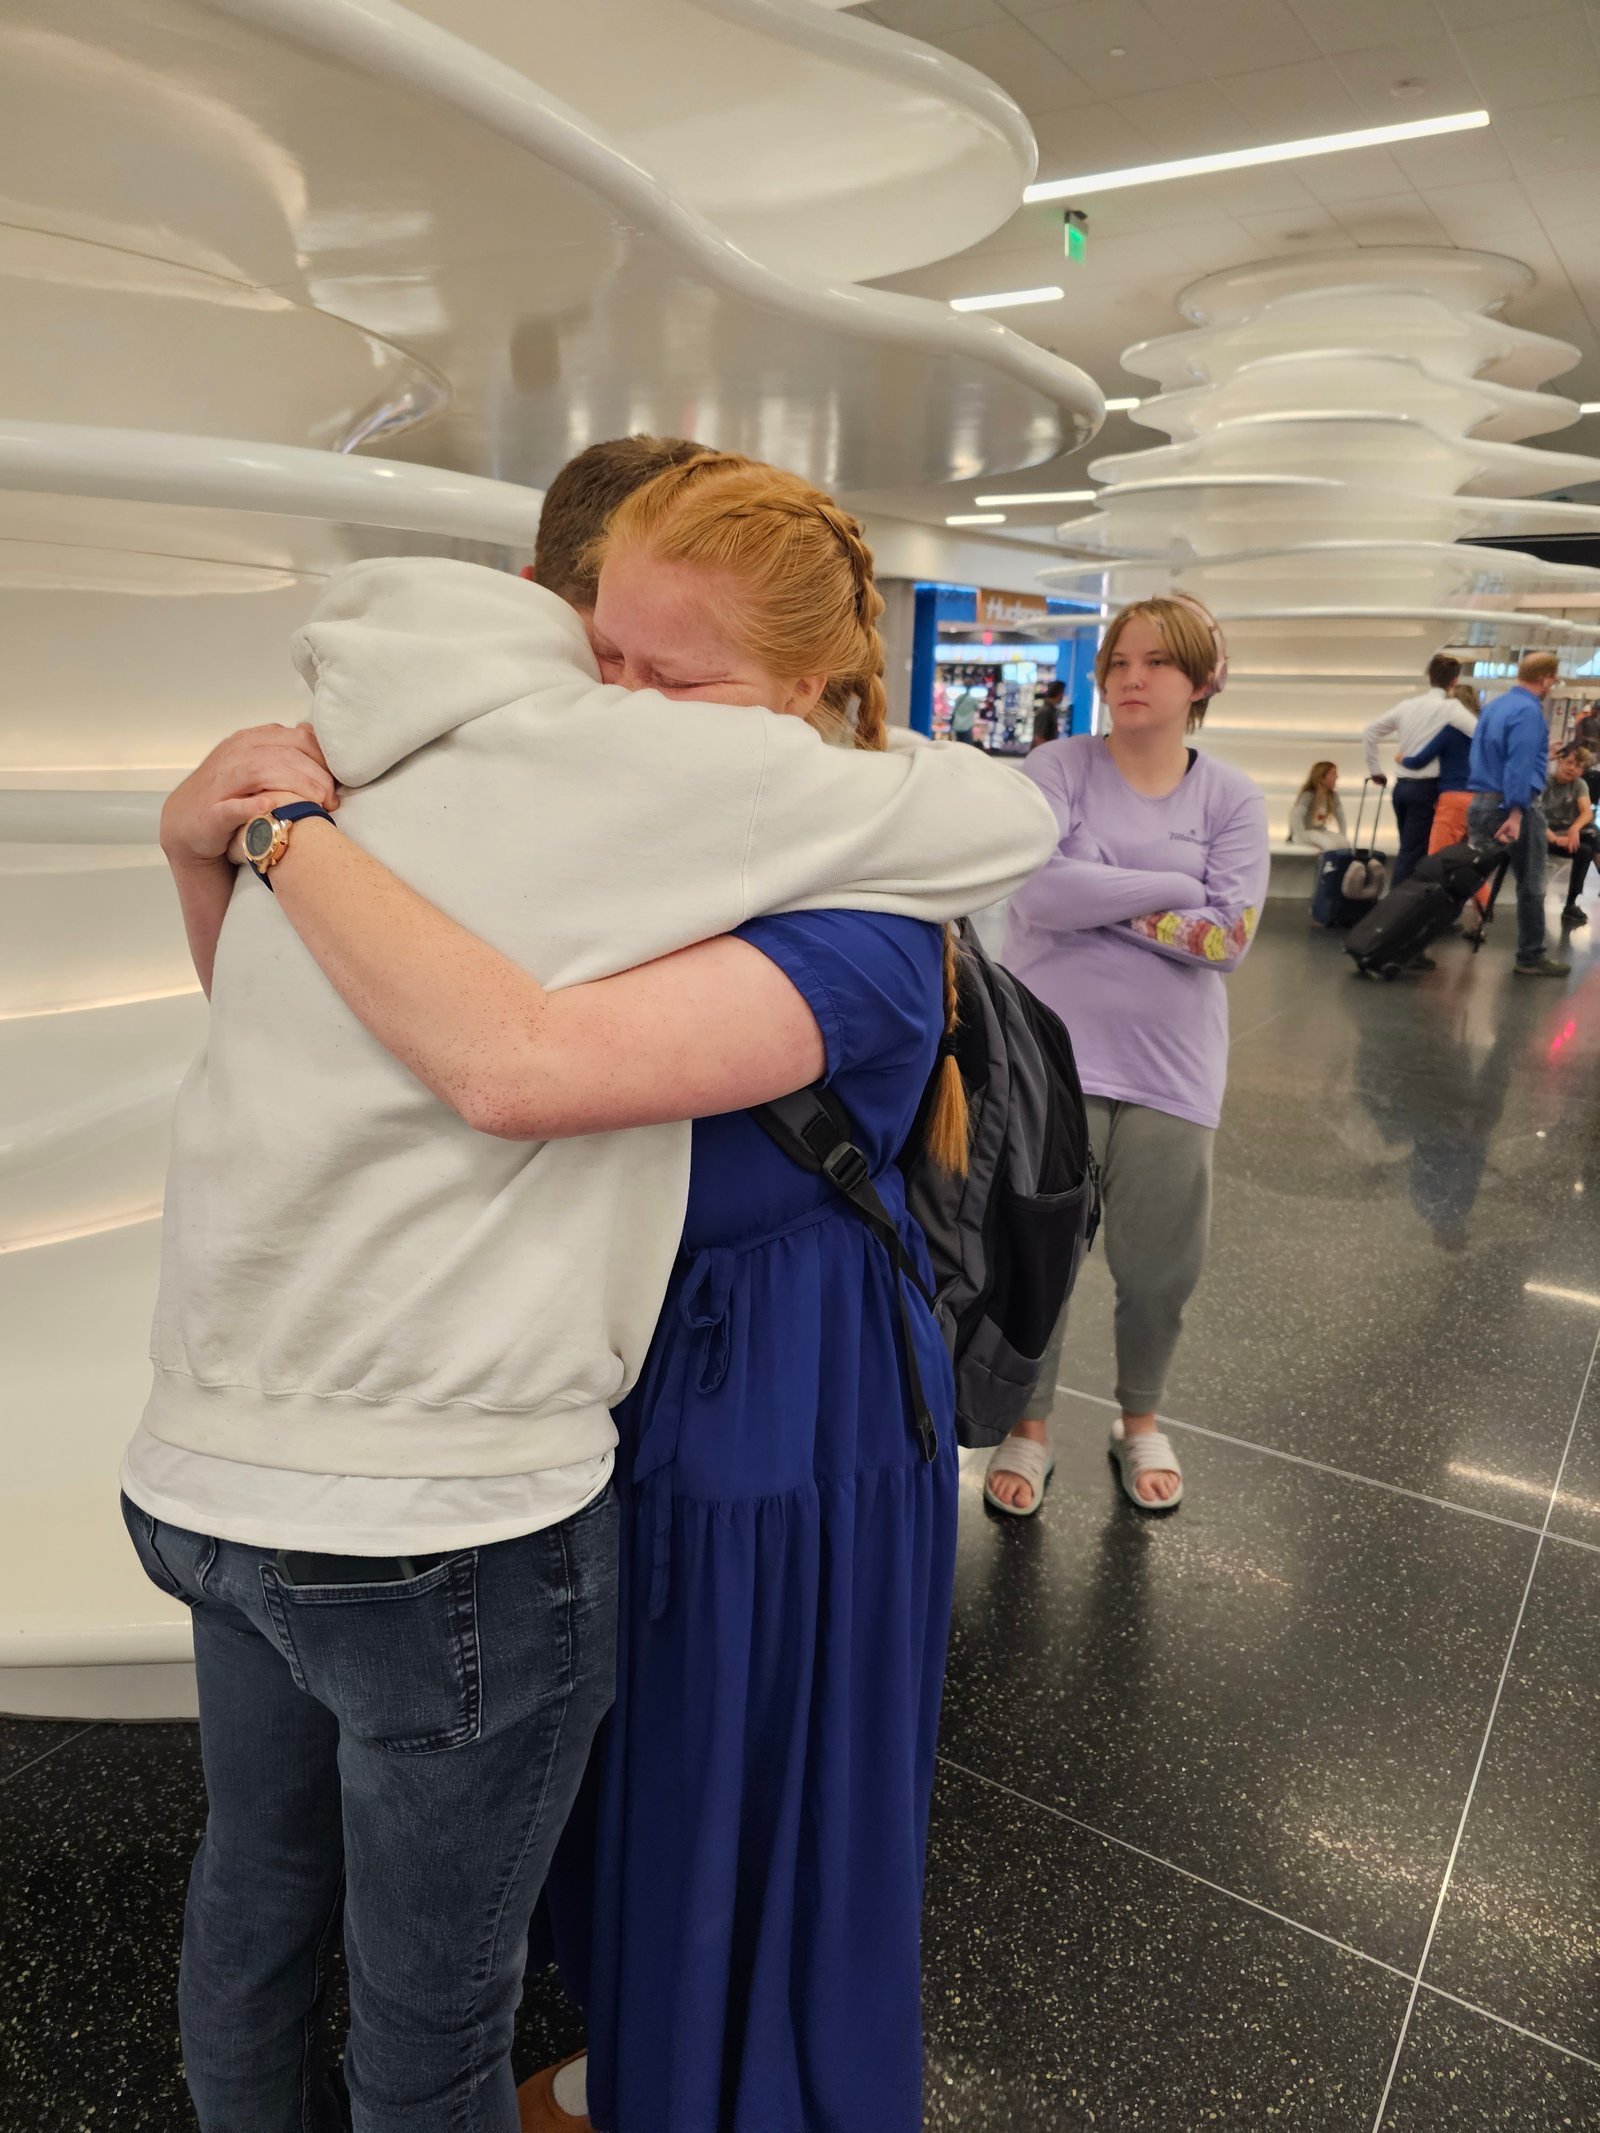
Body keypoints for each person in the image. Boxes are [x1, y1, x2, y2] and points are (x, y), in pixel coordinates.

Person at [125, 443, 1057, 2132]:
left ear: (809, 688)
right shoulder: (617, 826)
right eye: (599, 655)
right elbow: (324, 1035)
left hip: (765, 1400)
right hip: (612, 1388)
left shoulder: (848, 909)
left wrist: (285, 836)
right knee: (572, 1834)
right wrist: (222, 855)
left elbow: (515, 1063)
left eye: (674, 679)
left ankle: (714, 2082)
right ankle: (644, 2056)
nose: (615, 706)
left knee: (719, 1798)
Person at [983, 596, 1269, 1518]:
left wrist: (1096, 889)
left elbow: (1227, 940)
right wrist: (1178, 885)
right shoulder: (1057, 766)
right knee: (1038, 1257)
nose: (1131, 678)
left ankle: (1138, 1417)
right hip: (1051, 1064)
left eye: (1156, 662)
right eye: (1118, 662)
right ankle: (1029, 1424)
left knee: (1158, 1272)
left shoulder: (1230, 798)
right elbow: (1034, 892)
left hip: (1171, 1072)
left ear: (1202, 681)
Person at [1467, 650, 1569, 978]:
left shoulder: (1494, 707)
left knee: (1466, 874)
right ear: (1546, 678)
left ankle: (1417, 935)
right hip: (1512, 807)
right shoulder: (1528, 712)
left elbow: (1488, 755)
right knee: (1531, 882)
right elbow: (1518, 767)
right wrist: (1516, 812)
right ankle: (1530, 956)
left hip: (1480, 802)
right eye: (1554, 679)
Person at [1362, 653, 1473, 885]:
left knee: (1408, 848)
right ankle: (1397, 904)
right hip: (1427, 790)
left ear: (1429, 676)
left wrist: (1375, 770)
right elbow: (1480, 733)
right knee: (1414, 854)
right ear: (1454, 681)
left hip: (1401, 789)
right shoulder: (1451, 709)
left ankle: (1403, 900)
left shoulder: (1406, 706)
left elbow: (1370, 732)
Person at [1543, 741, 1598, 929]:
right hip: (1542, 834)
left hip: (1567, 837)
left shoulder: (1579, 785)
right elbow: (1532, 814)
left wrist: (1574, 829)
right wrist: (1553, 837)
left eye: (1578, 766)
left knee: (1587, 849)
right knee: (1593, 840)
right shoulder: (1545, 782)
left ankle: (1570, 904)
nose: (1572, 768)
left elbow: (1587, 813)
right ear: (1560, 761)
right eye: (1569, 763)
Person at [1288, 759, 1347, 850]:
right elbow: (1295, 816)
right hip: (1305, 832)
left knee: (1344, 843)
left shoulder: (1333, 796)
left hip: (1320, 830)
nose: (1337, 777)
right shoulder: (1308, 795)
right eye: (1333, 774)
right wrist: (1300, 835)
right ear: (1322, 777)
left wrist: (1343, 835)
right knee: (1328, 844)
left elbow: (1340, 816)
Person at [1032, 675, 1067, 749]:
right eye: (1062, 693)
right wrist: (1045, 754)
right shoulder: (1045, 712)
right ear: (1058, 693)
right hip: (1042, 753)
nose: (1063, 696)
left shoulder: (1051, 710)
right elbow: (1040, 738)